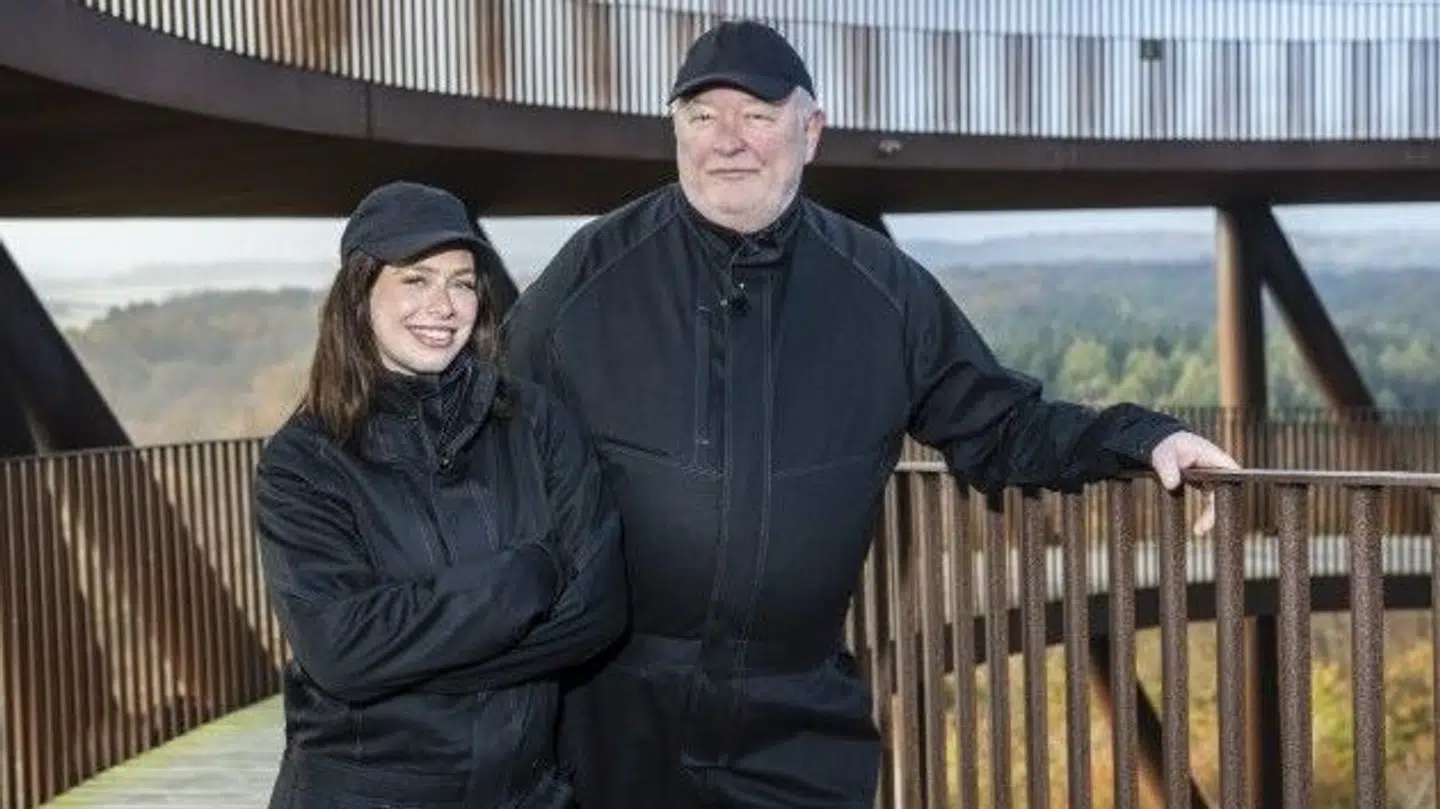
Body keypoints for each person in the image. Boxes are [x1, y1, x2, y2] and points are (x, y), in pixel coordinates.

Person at [503, 19, 1240, 809]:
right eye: (703, 116)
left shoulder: (883, 291)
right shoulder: (587, 280)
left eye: (756, 116)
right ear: (674, 130)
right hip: (611, 719)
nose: (729, 141)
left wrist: (1144, 435)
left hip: (792, 721)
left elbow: (1002, 426)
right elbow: (493, 442)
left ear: (809, 131)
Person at [254, 181, 626, 809]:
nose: (444, 305)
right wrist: (525, 577)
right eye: (416, 280)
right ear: (360, 293)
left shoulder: (535, 422)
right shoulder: (304, 462)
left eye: (461, 281)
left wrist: (405, 670)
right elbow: (339, 651)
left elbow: (598, 613)